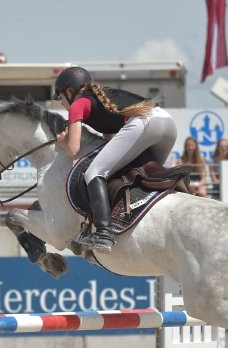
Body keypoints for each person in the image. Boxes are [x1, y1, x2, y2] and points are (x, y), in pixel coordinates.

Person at [54, 66, 177, 254]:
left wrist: (63, 143)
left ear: (70, 91)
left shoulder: (79, 104)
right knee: (143, 177)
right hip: (167, 123)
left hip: (145, 124)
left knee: (94, 173)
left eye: (60, 96)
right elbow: (112, 143)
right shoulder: (104, 96)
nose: (61, 102)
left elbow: (73, 150)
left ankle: (104, 232)